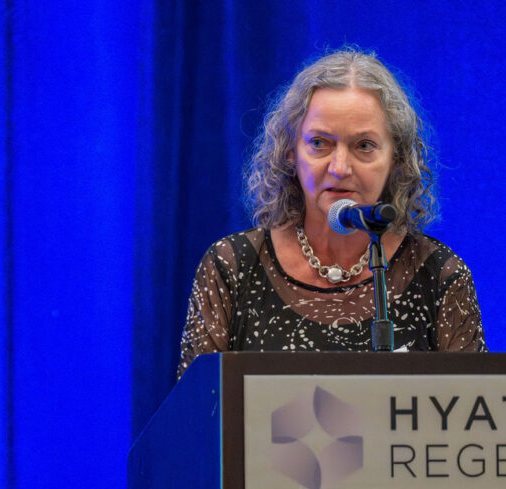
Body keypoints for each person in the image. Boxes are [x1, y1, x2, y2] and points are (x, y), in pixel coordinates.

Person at [178, 49, 487, 379]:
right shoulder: (232, 267)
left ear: (396, 159)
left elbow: (472, 407)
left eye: (364, 145)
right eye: (319, 143)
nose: (340, 168)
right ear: (290, 152)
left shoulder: (439, 275)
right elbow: (198, 408)